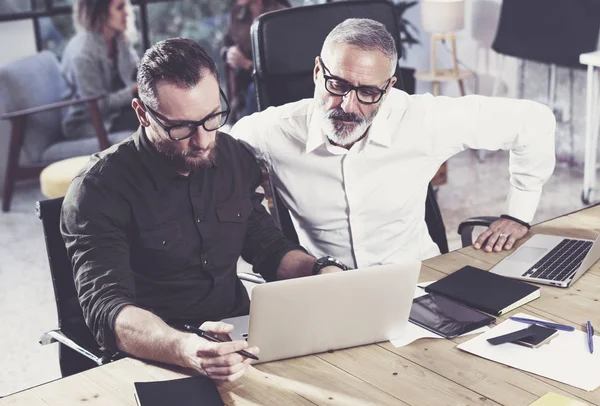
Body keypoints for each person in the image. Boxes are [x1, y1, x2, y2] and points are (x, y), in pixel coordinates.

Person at [61, 38, 344, 383]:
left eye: (212, 118)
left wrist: (321, 272)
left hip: (238, 339)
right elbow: (109, 312)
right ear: (142, 113)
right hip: (154, 355)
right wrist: (185, 348)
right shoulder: (98, 189)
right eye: (181, 127)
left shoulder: (234, 158)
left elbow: (268, 247)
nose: (203, 140)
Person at [231, 18, 556, 268]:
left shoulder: (425, 119)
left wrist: (518, 213)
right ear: (317, 72)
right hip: (327, 291)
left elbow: (535, 122)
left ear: (388, 89)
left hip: (419, 283)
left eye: (368, 92)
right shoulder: (271, 132)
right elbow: (211, 159)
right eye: (337, 84)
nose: (348, 106)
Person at [61, 0, 139, 140]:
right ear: (100, 13)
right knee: (152, 122)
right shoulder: (83, 54)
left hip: (118, 112)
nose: (126, 13)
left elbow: (136, 70)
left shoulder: (119, 39)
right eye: (120, 8)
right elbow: (99, 106)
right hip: (90, 123)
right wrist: (134, 90)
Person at [222, 0, 290, 121]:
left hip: (272, 87)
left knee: (254, 90)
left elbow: (285, 61)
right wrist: (229, 53)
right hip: (241, 90)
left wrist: (247, 64)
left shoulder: (280, 11)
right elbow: (227, 44)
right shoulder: (238, 11)